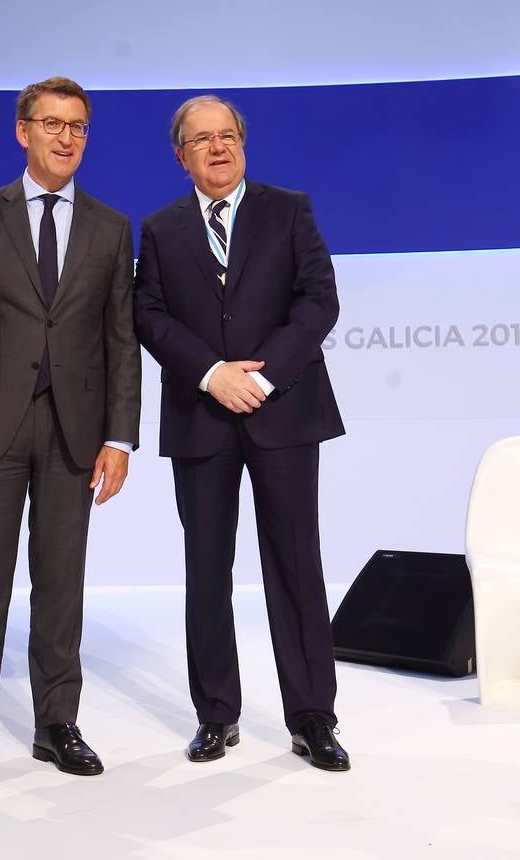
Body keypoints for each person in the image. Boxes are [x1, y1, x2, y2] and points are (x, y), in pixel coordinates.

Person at [134, 95, 350, 772]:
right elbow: (148, 313)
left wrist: (262, 377)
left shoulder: (289, 210)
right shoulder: (161, 228)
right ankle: (214, 715)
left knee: (295, 565)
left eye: (227, 136)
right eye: (201, 140)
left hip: (282, 412)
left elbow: (318, 299)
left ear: (243, 145)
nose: (217, 148)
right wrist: (209, 373)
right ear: (180, 156)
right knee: (206, 570)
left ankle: (312, 717)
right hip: (201, 418)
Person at [0, 76, 141, 789]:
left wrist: (119, 439)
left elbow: (121, 339)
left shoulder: (112, 228)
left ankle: (57, 724)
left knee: (61, 586)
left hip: (75, 435)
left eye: (77, 126)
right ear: (22, 131)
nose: (65, 137)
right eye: (51, 124)